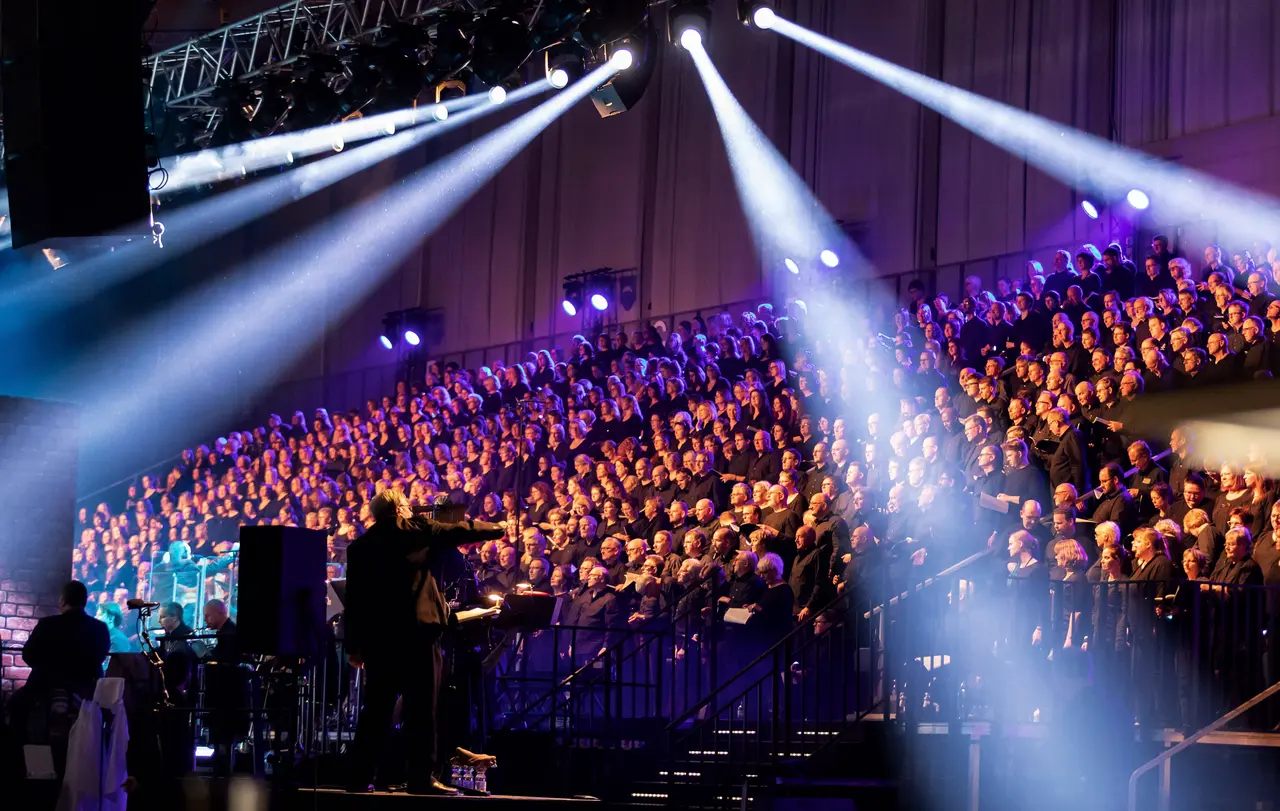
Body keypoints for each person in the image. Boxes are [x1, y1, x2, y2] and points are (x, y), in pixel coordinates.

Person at [344, 489, 504, 795]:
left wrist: (355, 646)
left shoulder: (361, 546)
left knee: (376, 709)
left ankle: (358, 777)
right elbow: (459, 530)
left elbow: (355, 601)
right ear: (400, 507)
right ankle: (420, 779)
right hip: (418, 633)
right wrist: (498, 527)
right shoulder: (415, 528)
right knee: (421, 709)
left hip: (379, 639)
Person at [22, 581, 111, 700]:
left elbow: (28, 655)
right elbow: (100, 658)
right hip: (86, 691)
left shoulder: (47, 624)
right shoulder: (100, 627)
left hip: (46, 688)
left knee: (17, 705)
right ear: (85, 602)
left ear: (63, 600)